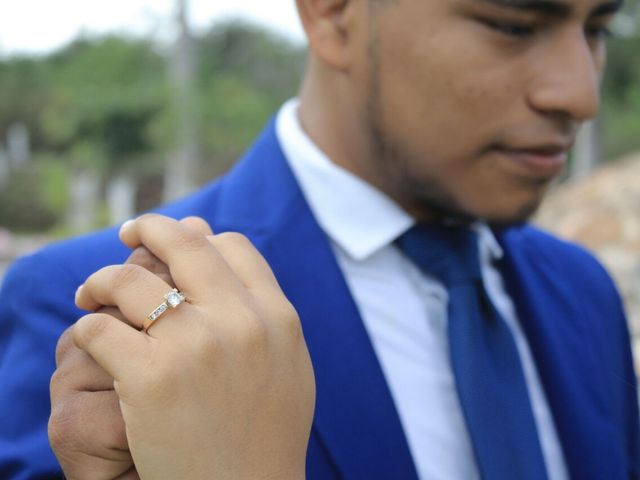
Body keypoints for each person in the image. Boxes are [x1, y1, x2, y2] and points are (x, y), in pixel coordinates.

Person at [0, 0, 638, 477]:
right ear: (334, 14)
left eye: (597, 30)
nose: (580, 93)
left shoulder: (582, 291)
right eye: (514, 25)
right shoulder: (88, 313)